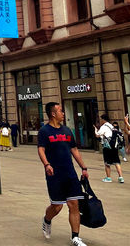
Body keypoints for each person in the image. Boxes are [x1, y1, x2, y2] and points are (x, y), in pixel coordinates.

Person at [38, 102, 89, 246]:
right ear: (53, 114)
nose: (63, 113)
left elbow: (74, 150)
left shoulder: (67, 130)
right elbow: (41, 150)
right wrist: (47, 164)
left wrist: (84, 167)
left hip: (70, 173)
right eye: (60, 111)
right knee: (57, 206)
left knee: (74, 204)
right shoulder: (44, 131)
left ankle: (75, 237)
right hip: (54, 174)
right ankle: (47, 220)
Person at [94, 114, 124, 183]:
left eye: (101, 119)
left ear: (103, 119)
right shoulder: (111, 126)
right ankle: (121, 177)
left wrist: (95, 130)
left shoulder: (104, 127)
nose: (100, 121)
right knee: (116, 161)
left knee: (107, 163)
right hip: (114, 146)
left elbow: (98, 135)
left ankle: (108, 177)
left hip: (107, 146)